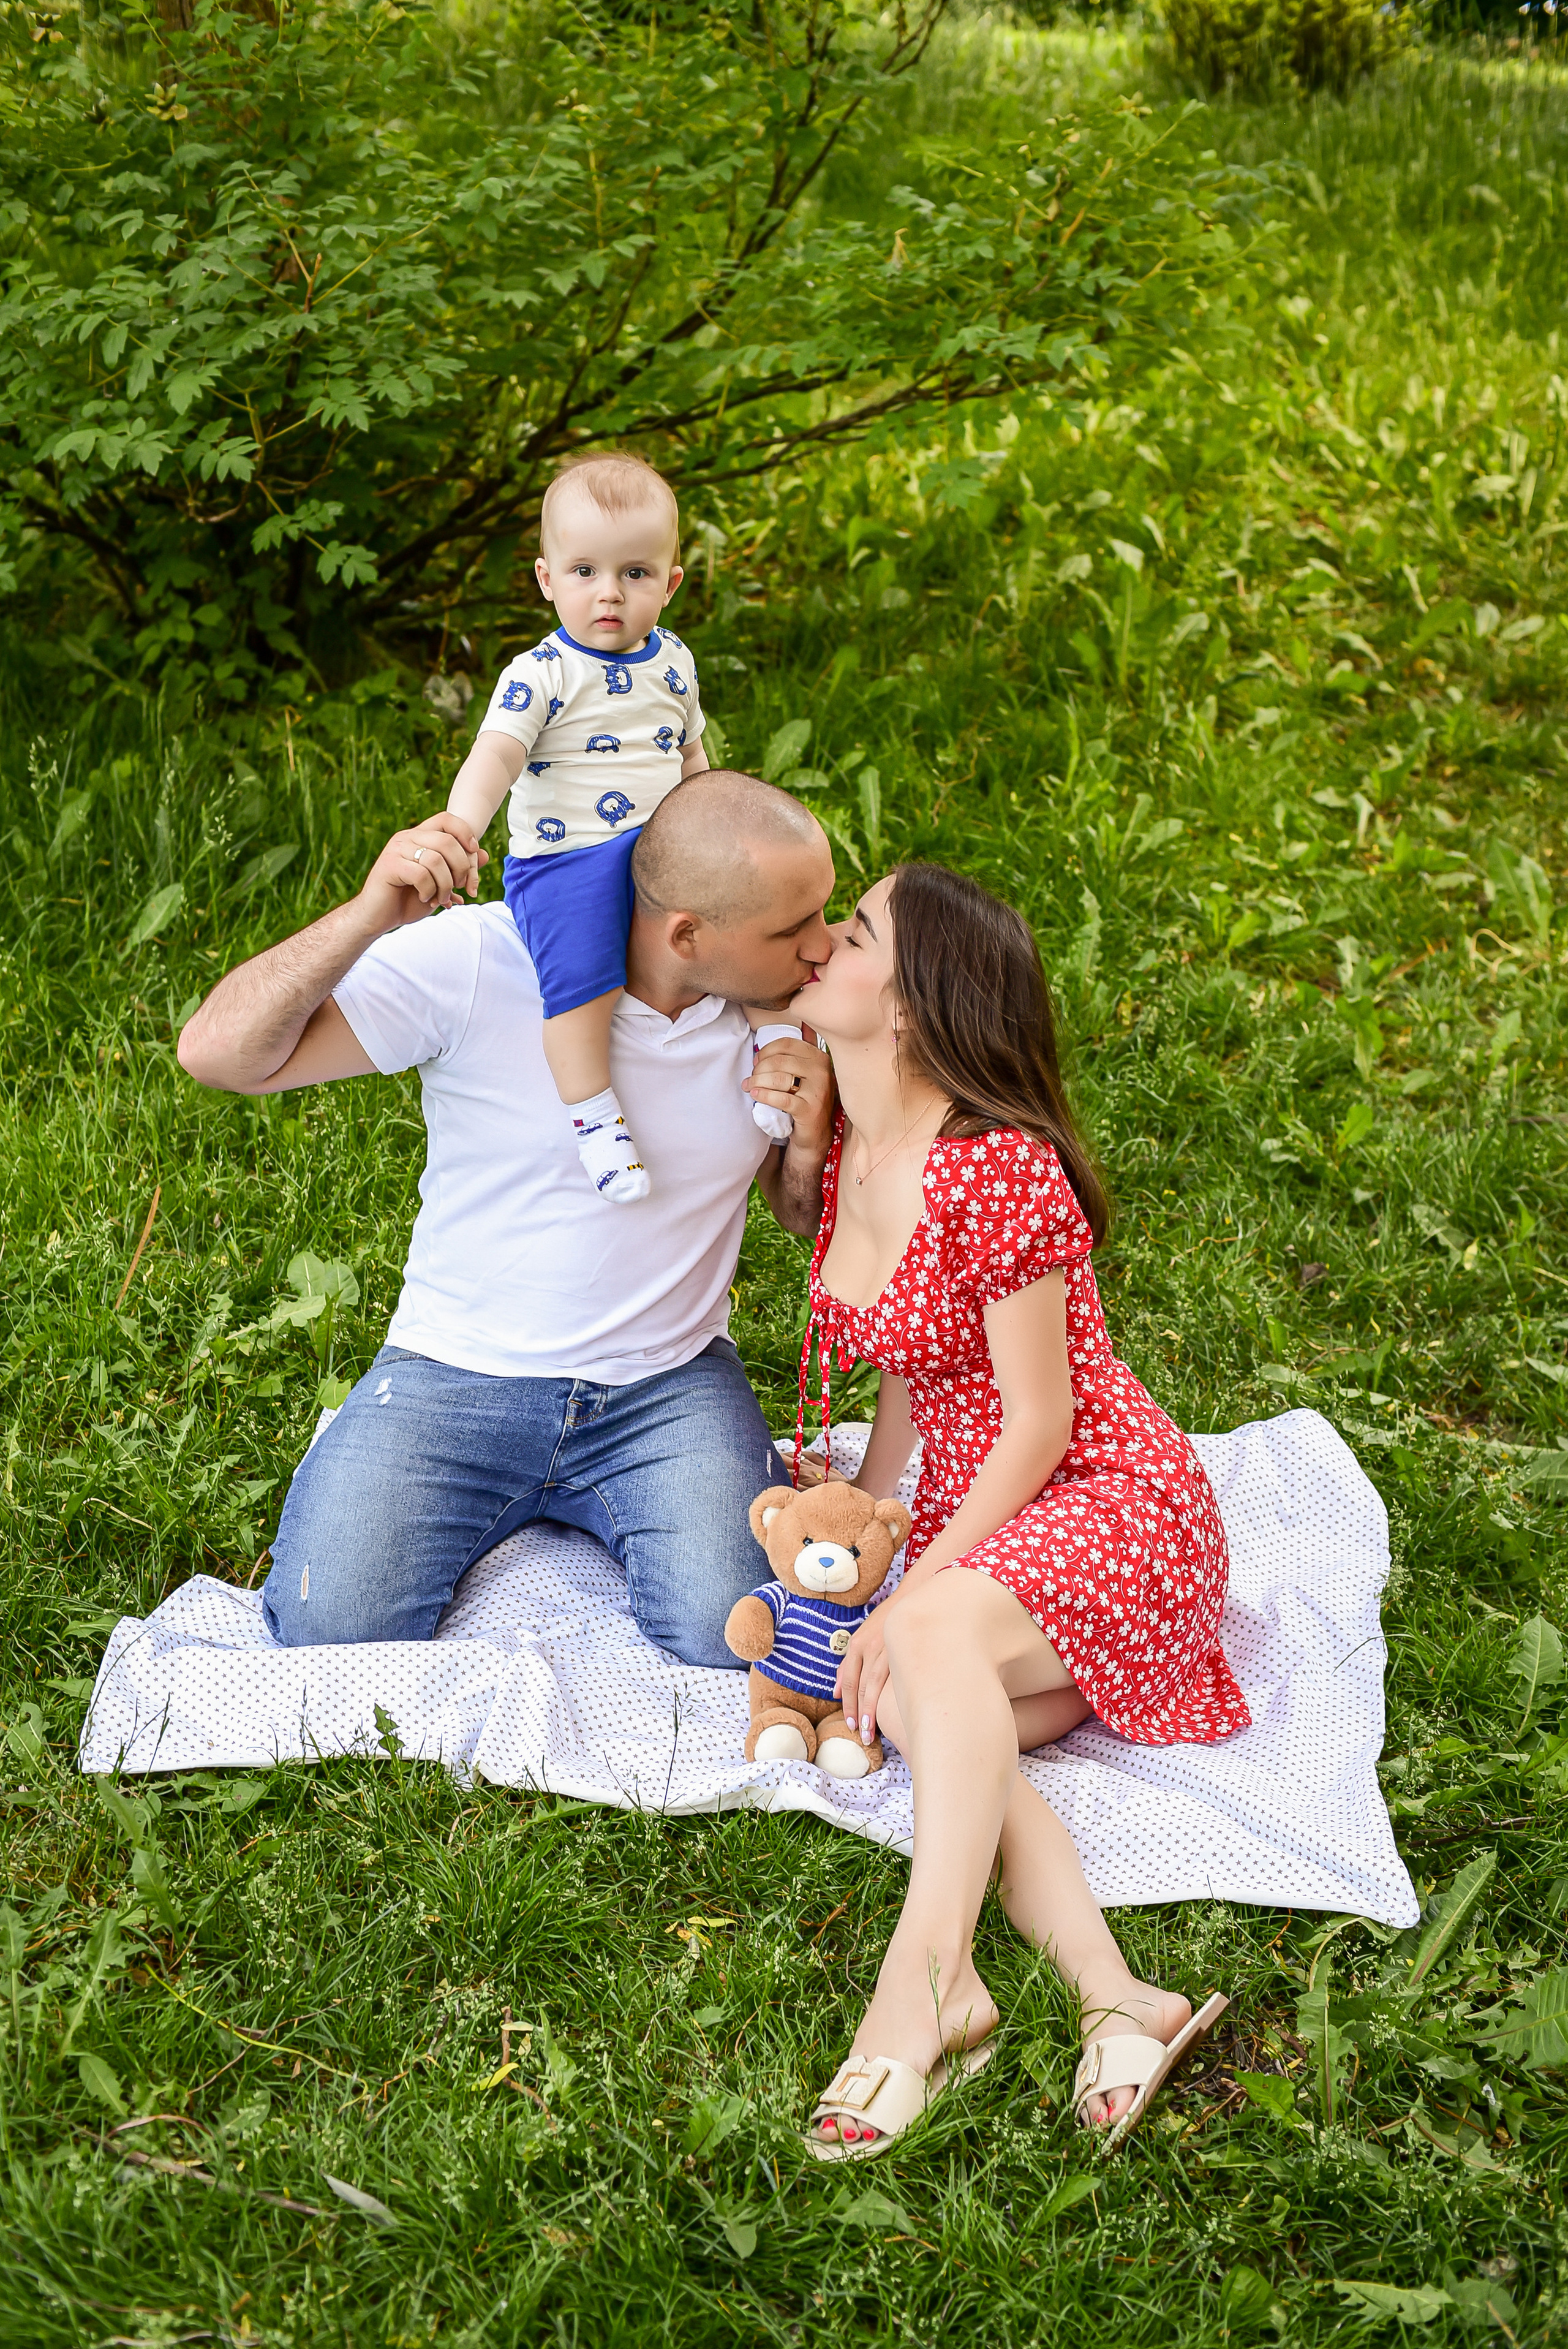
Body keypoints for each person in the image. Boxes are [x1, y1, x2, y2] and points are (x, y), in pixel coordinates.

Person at [790, 862, 1250, 2160]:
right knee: (930, 1721)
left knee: (925, 1643)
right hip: (993, 1520)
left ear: (913, 1002)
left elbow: (1039, 1421)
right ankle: (1118, 1994)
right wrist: (869, 1507)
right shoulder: (860, 1146)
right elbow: (909, 1366)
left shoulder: (1000, 1165)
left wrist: (922, 1589)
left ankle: (925, 1985)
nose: (823, 944)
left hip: (1111, 1503)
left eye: (855, 932)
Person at [175, 770, 835, 1668]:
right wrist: (369, 916)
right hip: (456, 1374)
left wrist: (808, 1141)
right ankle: (375, 1455)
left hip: (667, 1383)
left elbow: (799, 1216)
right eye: (795, 928)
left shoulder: (784, 1017)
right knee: (330, 1629)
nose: (823, 946)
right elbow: (217, 1054)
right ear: (687, 933)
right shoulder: (487, 959)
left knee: (737, 1634)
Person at [446, 452, 799, 1204]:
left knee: (754, 920)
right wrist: (460, 825)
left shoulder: (673, 660)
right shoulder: (539, 674)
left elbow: (691, 753)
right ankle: (594, 1117)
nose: (609, 592)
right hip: (567, 860)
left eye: (635, 573)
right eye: (585, 572)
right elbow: (496, 756)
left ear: (670, 584)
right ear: (547, 579)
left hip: (668, 844)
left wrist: (718, 831)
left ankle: (776, 1042)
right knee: (583, 987)